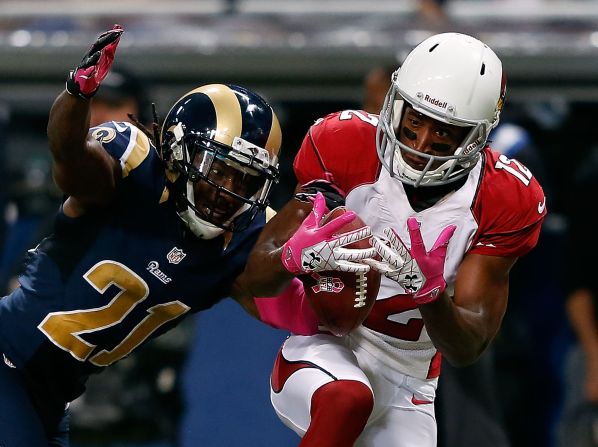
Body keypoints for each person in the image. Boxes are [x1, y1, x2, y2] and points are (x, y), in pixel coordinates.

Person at [236, 32, 547, 446]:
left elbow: (467, 348)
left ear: (476, 135)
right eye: (414, 121)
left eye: (444, 133)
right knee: (348, 398)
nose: (419, 145)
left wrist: (431, 293)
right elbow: (250, 278)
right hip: (325, 348)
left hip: (411, 384)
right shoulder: (345, 145)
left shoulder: (504, 197)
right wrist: (293, 257)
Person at [0, 24, 284, 446]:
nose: (227, 190)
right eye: (218, 168)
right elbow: (72, 159)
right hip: (10, 363)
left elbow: (289, 304)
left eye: (245, 180)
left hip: (52, 396)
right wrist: (77, 97)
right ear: (180, 150)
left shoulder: (244, 239)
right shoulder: (133, 167)